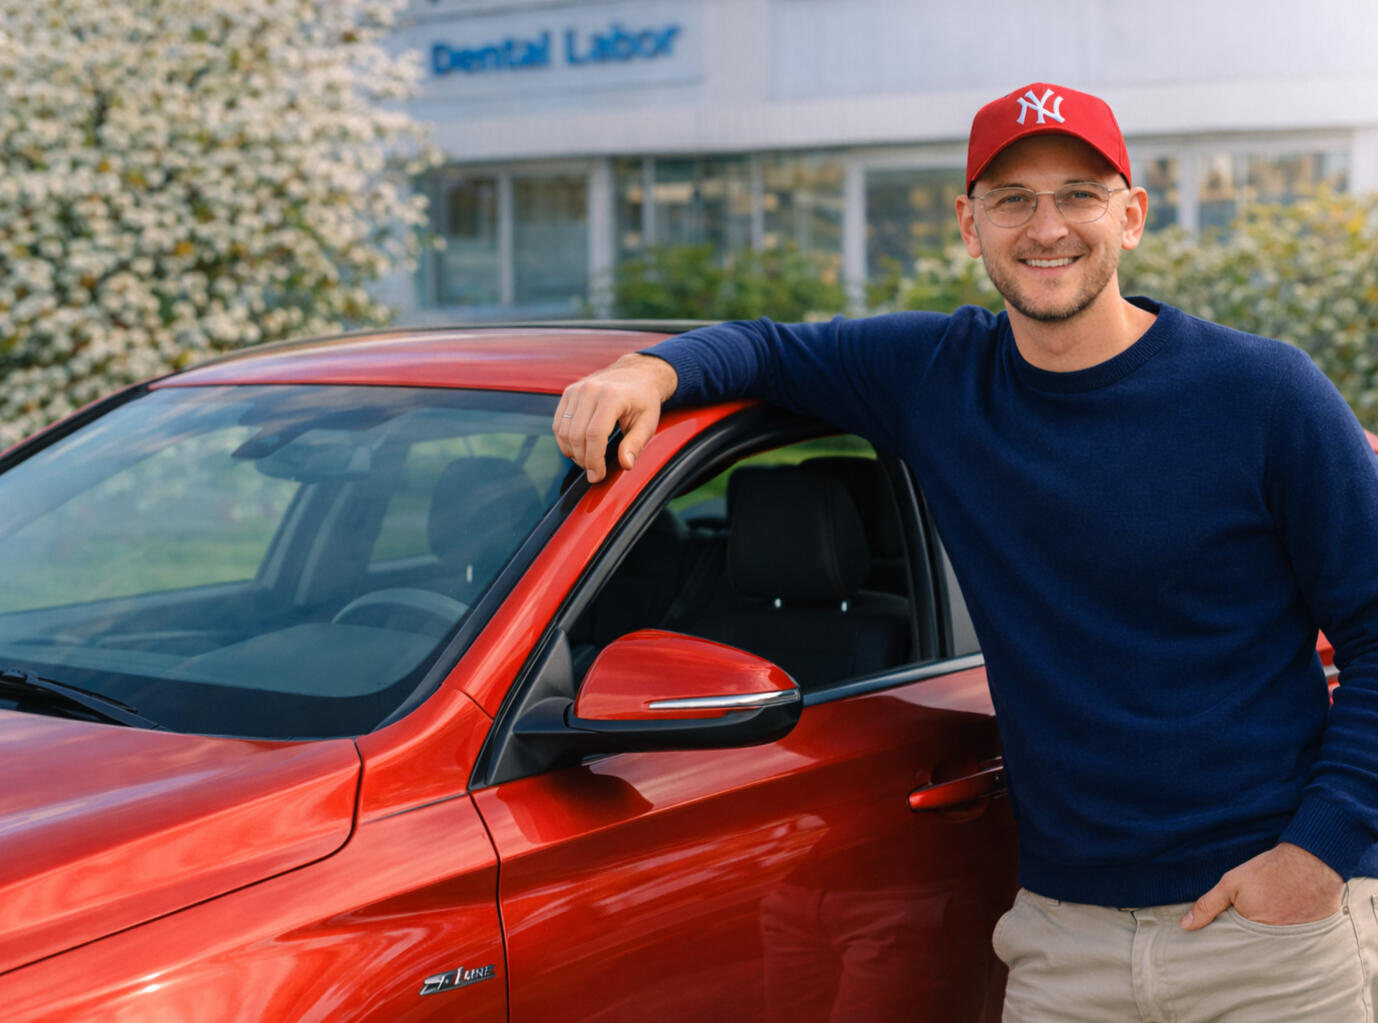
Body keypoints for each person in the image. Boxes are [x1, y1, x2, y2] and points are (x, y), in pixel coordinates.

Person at [553, 82, 1378, 1021]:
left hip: (1272, 935)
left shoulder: (1266, 394)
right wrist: (645, 370)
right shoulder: (939, 375)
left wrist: (1320, 854)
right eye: (1012, 200)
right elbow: (767, 351)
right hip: (1067, 940)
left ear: (1132, 215)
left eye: (1078, 194)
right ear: (968, 224)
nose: (1047, 227)